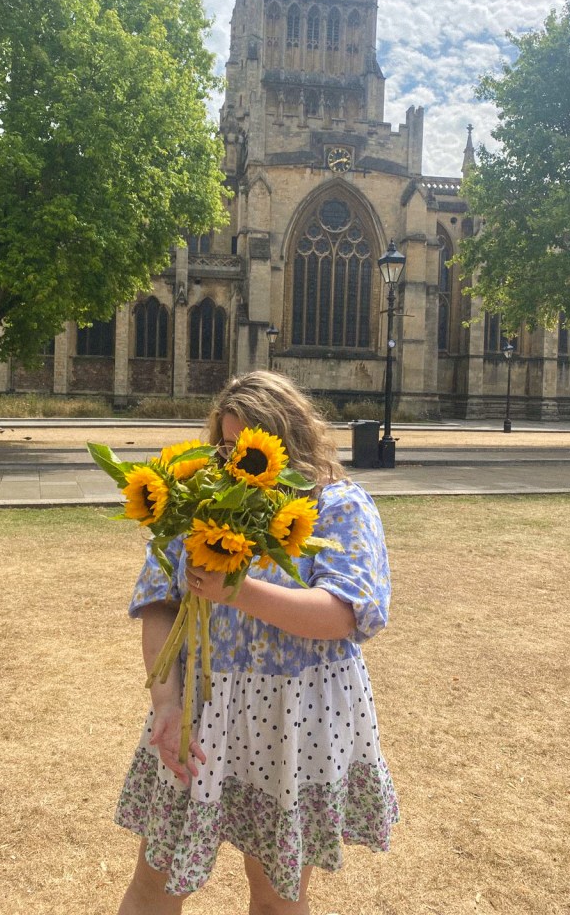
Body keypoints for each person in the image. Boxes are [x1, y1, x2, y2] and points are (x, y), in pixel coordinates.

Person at [116, 371, 398, 915]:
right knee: (154, 885)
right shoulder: (197, 505)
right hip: (200, 711)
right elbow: (158, 602)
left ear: (286, 440)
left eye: (246, 446)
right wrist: (166, 703)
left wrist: (237, 591)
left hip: (297, 717)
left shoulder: (338, 506)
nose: (233, 461)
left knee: (276, 899)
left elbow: (343, 615)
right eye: (223, 445)